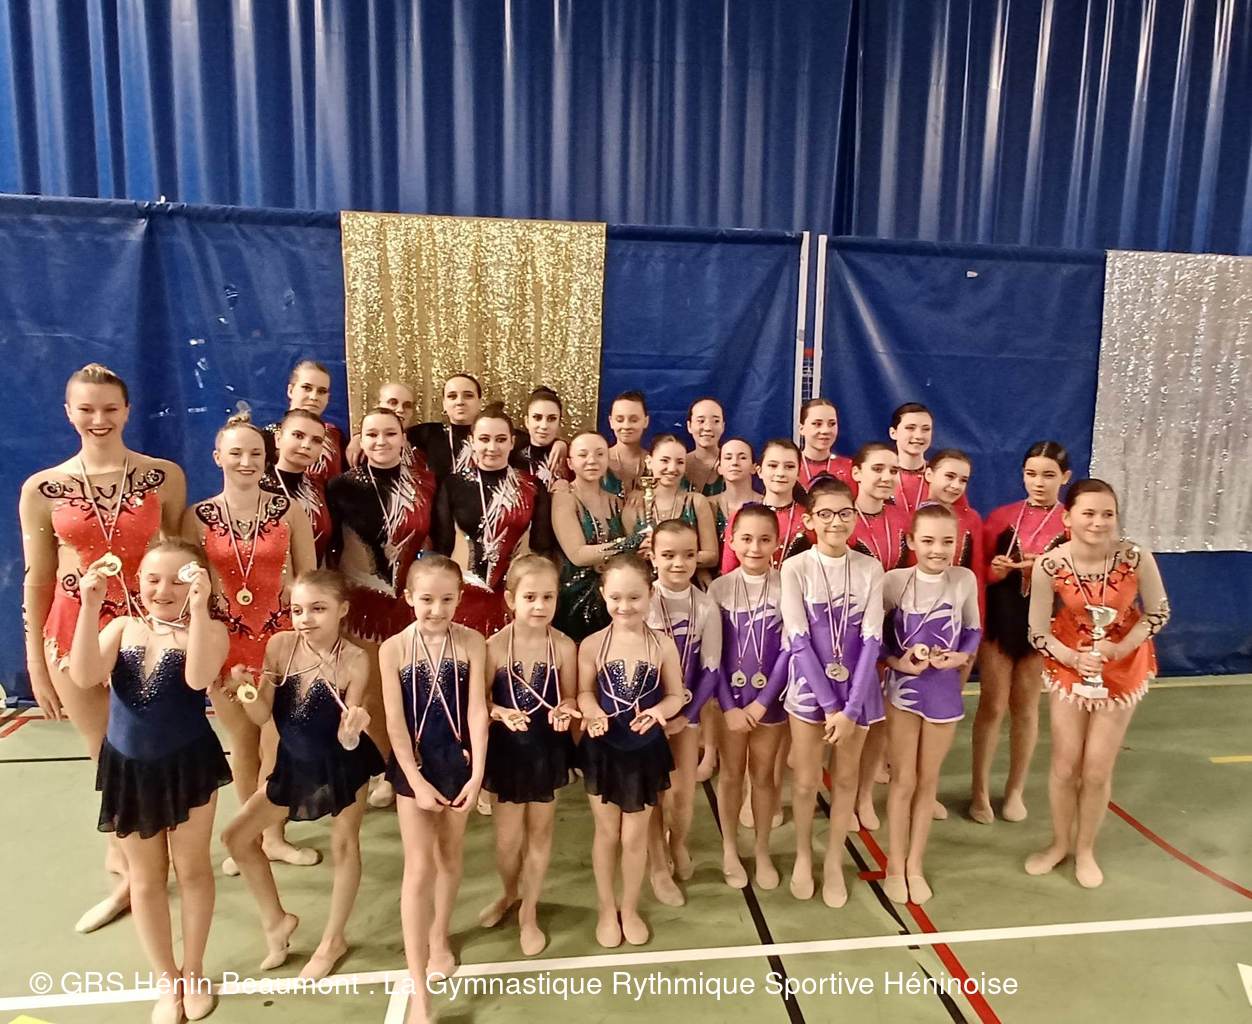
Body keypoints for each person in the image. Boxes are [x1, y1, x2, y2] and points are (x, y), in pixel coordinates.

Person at [19, 363, 186, 932]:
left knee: (155, 748)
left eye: (110, 408)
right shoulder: (42, 488)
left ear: (127, 411)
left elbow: (183, 561)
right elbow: (38, 578)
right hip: (75, 635)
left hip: (148, 635)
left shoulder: (162, 477)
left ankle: (155, 858)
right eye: (86, 409)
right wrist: (36, 660)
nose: (99, 419)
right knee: (107, 759)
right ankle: (131, 871)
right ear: (68, 412)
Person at [69, 541, 230, 1024]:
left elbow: (198, 679)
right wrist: (89, 606)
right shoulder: (122, 627)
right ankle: (166, 980)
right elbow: (84, 675)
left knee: (193, 870)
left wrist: (198, 610)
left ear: (199, 583)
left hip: (187, 764)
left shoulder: (211, 630)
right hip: (129, 768)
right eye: (153, 579)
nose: (164, 589)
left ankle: (193, 971)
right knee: (145, 878)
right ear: (136, 580)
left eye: (179, 579)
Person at [221, 571, 383, 980]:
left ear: (342, 610)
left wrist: (354, 726)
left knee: (344, 845)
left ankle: (333, 941)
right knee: (236, 838)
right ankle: (276, 921)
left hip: (342, 765)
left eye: (318, 609)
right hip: (293, 765)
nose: (305, 618)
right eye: (297, 610)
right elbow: (262, 716)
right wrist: (245, 689)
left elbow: (347, 738)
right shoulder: (281, 646)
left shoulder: (355, 660)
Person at [183, 414, 317, 872]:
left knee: (277, 742)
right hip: (227, 643)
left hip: (281, 640)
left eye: (255, 453)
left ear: (267, 458)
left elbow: (309, 580)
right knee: (242, 741)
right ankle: (248, 837)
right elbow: (188, 586)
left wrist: (310, 638)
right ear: (217, 457)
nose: (246, 461)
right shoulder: (196, 517)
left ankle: (274, 835)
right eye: (236, 453)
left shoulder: (289, 511)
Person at [1025, 480, 1169, 888]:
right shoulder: (1049, 564)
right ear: (1068, 517)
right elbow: (1037, 631)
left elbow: (1158, 612)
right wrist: (1072, 657)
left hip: (1122, 665)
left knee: (1096, 770)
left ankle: (1085, 849)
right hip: (1069, 663)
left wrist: (1120, 647)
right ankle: (1058, 844)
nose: (1098, 522)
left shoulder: (1135, 557)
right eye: (1088, 513)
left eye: (1108, 514)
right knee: (1064, 764)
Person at [379, 555, 488, 1021]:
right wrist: (415, 780)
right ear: (408, 598)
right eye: (426, 599)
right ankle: (419, 989)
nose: (436, 610)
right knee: (419, 867)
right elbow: (395, 723)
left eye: (447, 600)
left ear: (460, 599)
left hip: (458, 764)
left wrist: (478, 774)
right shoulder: (393, 649)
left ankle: (439, 934)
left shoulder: (472, 642)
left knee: (450, 857)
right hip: (417, 767)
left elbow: (478, 710)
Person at [781, 478, 884, 908]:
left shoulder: (870, 568)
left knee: (845, 780)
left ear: (855, 517)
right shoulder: (795, 568)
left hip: (858, 692)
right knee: (806, 783)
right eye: (825, 514)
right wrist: (829, 707)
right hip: (811, 692)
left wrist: (851, 709)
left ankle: (834, 861)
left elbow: (873, 639)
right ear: (808, 521)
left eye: (844, 513)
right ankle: (804, 855)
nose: (835, 522)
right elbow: (798, 639)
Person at [327, 408, 437, 809]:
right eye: (371, 434)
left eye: (390, 433)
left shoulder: (425, 483)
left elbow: (436, 540)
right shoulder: (341, 486)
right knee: (372, 692)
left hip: (409, 603)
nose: (381, 441)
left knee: (412, 691)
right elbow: (329, 546)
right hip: (361, 605)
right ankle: (388, 768)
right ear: (361, 439)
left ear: (403, 438)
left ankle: (413, 760)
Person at [577, 554, 685, 948]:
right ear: (603, 594)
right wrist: (592, 713)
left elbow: (675, 696)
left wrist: (658, 712)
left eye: (635, 597)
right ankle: (607, 909)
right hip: (604, 748)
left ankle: (630, 907)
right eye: (616, 598)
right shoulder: (592, 645)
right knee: (607, 834)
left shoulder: (662, 645)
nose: (625, 606)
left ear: (651, 594)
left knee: (635, 838)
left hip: (644, 749)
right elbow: (584, 691)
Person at [478, 555, 580, 956]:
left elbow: (570, 696)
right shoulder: (493, 648)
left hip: (545, 752)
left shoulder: (564, 647)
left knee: (540, 834)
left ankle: (530, 910)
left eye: (548, 597)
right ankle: (509, 892)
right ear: (510, 600)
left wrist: (565, 710)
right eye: (530, 597)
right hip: (507, 754)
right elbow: (481, 702)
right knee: (507, 841)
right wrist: (500, 712)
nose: (540, 606)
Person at [881, 506, 981, 905]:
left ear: (957, 543)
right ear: (910, 541)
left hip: (943, 691)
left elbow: (973, 629)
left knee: (927, 781)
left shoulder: (963, 579)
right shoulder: (894, 581)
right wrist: (896, 663)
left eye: (946, 541)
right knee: (903, 780)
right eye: (927, 541)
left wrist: (961, 657)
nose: (938, 549)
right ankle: (894, 865)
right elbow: (878, 638)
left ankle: (915, 865)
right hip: (903, 691)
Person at [970, 441, 1072, 825]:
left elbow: (1080, 582)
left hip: (1044, 623)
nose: (1038, 482)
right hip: (1002, 618)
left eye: (1048, 475)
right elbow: (978, 572)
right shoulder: (1001, 517)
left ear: (1065, 477)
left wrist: (1046, 575)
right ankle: (979, 790)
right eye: (1031, 474)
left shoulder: (1072, 523)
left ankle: (1015, 789)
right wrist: (995, 572)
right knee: (993, 705)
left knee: (1026, 708)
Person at [708, 505, 789, 890]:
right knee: (730, 775)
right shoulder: (719, 589)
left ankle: (761, 849)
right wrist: (728, 706)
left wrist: (762, 702)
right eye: (746, 539)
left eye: (764, 539)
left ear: (777, 543)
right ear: (731, 540)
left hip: (768, 704)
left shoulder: (787, 587)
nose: (755, 548)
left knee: (763, 776)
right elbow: (713, 656)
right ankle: (728, 847)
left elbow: (790, 650)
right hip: (730, 704)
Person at [644, 520, 720, 907]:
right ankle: (658, 864)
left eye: (689, 555)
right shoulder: (642, 601)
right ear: (653, 557)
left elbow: (711, 669)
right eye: (669, 555)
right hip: (646, 714)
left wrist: (685, 715)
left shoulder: (705, 606)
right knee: (652, 794)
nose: (679, 563)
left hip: (685, 715)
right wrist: (655, 714)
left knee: (683, 795)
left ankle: (679, 841)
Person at [431, 404, 554, 637]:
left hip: (515, 600)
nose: (492, 447)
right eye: (484, 439)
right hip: (464, 598)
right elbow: (442, 547)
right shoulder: (452, 484)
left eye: (500, 439)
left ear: (512, 442)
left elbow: (542, 547)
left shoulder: (532, 486)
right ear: (472, 441)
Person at [847, 442, 911, 830]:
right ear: (856, 473)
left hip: (892, 629)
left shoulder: (902, 519)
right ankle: (842, 791)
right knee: (851, 719)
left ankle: (864, 794)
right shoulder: (843, 519)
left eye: (893, 471)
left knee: (879, 719)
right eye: (878, 469)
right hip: (851, 632)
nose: (887, 477)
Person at [551, 432, 629, 643]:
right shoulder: (564, 497)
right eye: (583, 454)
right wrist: (628, 544)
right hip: (575, 598)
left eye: (599, 454)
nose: (592, 460)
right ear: (570, 462)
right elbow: (578, 555)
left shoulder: (616, 501)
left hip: (613, 598)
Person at [621, 435, 718, 572]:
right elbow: (627, 555)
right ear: (649, 462)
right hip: (645, 580)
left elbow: (712, 556)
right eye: (664, 461)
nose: (672, 468)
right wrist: (641, 553)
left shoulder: (696, 502)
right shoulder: (635, 504)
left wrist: (672, 556)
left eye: (680, 462)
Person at [720, 439, 814, 574]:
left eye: (789, 467)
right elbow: (729, 571)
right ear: (759, 471)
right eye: (773, 465)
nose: (781, 473)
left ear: (799, 473)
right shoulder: (741, 516)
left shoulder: (809, 519)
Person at [263, 409, 333, 564]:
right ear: (278, 438)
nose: (306, 445)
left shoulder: (318, 485)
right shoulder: (258, 487)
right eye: (298, 436)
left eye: (316, 440)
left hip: (313, 576)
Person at [265, 360, 345, 493]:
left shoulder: (335, 435)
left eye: (322, 391)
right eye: (307, 388)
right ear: (291, 390)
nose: (314, 397)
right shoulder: (267, 437)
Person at [406, 373, 483, 485]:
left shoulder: (495, 436)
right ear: (444, 404)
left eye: (468, 396)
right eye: (452, 396)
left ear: (480, 402)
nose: (460, 402)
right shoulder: (425, 434)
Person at [512, 386, 570, 490]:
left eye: (552, 419)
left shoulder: (570, 457)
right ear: (527, 421)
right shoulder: (512, 456)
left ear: (559, 422)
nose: (544, 426)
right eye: (537, 418)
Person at [710, 438, 759, 552]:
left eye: (742, 457)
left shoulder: (765, 504)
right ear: (719, 468)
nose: (735, 463)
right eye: (728, 458)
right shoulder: (707, 505)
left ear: (754, 468)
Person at [888, 403, 934, 516]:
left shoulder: (939, 476)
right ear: (893, 433)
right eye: (910, 428)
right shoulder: (881, 475)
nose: (919, 436)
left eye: (926, 429)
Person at [797, 398, 853, 491]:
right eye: (817, 424)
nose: (825, 431)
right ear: (801, 429)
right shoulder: (789, 467)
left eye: (832, 424)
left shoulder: (850, 468)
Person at [603, 391, 649, 497]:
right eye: (620, 420)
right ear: (611, 422)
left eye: (634, 420)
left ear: (646, 421)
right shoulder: (598, 461)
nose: (626, 426)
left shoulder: (656, 463)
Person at [684, 397, 727, 495]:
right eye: (701, 421)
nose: (708, 428)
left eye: (716, 421)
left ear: (723, 426)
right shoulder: (679, 464)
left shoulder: (731, 464)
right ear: (689, 426)